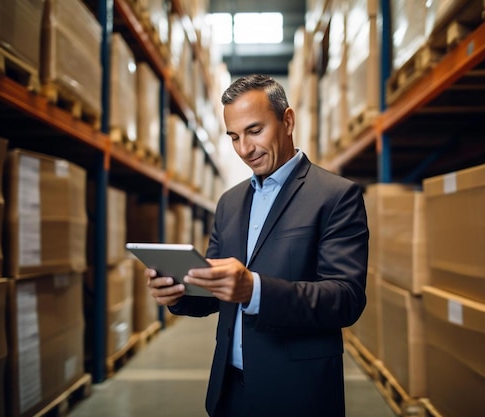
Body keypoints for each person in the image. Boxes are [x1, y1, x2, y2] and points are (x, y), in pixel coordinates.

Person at [146, 74, 369, 417]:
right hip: (230, 391)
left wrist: (255, 289)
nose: (244, 149)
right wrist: (179, 293)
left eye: (254, 131)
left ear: (288, 120)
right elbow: (217, 291)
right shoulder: (229, 203)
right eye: (234, 137)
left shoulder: (336, 196)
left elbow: (346, 299)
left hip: (297, 391)